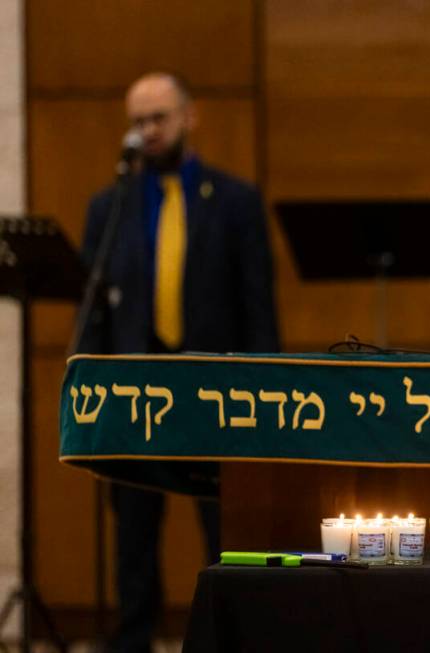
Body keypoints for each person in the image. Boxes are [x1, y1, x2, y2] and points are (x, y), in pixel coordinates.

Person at [77, 72, 279, 653]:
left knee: (224, 528)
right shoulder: (109, 206)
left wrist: (262, 391)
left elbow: (258, 306)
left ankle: (234, 639)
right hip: (138, 394)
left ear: (190, 118)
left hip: (215, 391)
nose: (148, 132)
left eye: (159, 118)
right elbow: (97, 310)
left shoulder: (235, 201)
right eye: (138, 122)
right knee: (134, 532)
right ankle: (133, 638)